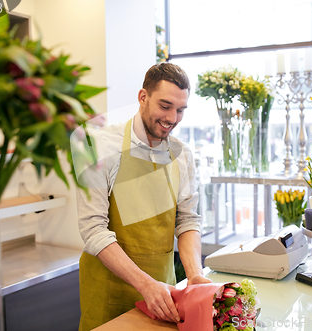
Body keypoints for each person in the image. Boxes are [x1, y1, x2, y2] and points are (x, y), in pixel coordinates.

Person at [76, 63, 211, 331]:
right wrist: (145, 284)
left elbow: (186, 221)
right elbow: (93, 229)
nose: (173, 118)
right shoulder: (99, 145)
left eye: (181, 109)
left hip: (165, 296)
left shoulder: (182, 155)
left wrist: (195, 274)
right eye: (165, 106)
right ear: (143, 97)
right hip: (109, 294)